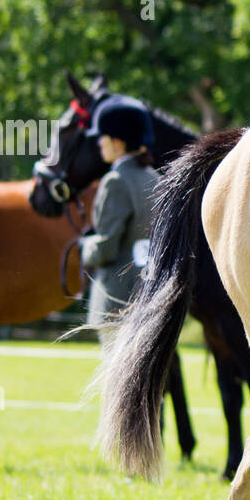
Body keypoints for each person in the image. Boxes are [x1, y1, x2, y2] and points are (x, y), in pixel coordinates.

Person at [79, 96, 160, 328]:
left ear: (118, 142)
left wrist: (85, 247)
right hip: (151, 296)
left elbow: (106, 248)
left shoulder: (115, 181)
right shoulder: (156, 179)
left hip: (117, 300)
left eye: (102, 138)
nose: (99, 143)